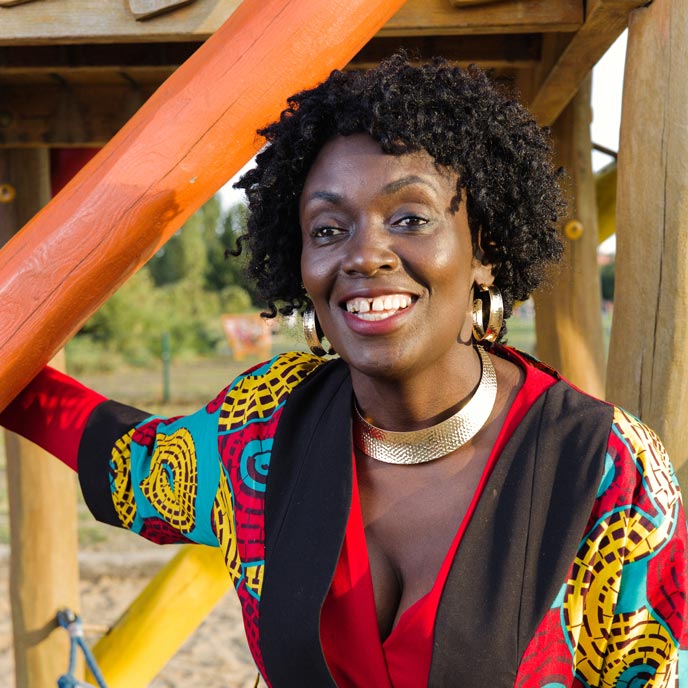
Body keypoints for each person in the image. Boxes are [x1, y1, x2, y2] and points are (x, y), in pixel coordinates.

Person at [2, 55, 686, 687]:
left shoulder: (609, 472)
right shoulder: (265, 428)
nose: (366, 255)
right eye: (328, 230)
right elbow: (139, 469)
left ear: (485, 250)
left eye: (410, 217)